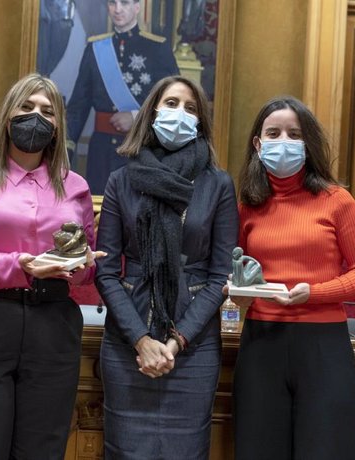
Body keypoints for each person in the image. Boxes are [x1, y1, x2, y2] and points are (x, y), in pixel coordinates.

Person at [0, 73, 105, 460]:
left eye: (47, 111)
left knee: (42, 451)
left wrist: (84, 265)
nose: (36, 117)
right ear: (8, 116)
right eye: (26, 107)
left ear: (58, 125)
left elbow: (86, 268)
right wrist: (20, 266)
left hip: (53, 327)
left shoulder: (74, 185)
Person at [95, 75, 238, 459]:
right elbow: (106, 271)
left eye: (191, 108)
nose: (180, 114)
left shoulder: (218, 184)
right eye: (171, 104)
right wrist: (142, 340)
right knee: (125, 451)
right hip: (129, 344)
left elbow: (220, 275)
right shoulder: (121, 181)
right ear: (152, 112)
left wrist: (176, 342)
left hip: (193, 346)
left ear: (201, 122)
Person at [230, 96, 355, 460]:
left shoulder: (337, 200)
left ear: (308, 142)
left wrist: (312, 293)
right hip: (261, 342)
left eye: (294, 133)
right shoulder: (247, 205)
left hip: (322, 345)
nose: (284, 140)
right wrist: (237, 293)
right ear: (258, 143)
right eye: (274, 132)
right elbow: (236, 271)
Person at [66, 0, 180, 195]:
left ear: (137, 7)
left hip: (142, 151)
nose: (117, 9)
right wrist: (65, 151)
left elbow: (174, 104)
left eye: (125, 3)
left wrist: (136, 117)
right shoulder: (95, 48)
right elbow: (79, 105)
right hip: (101, 152)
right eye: (112, 3)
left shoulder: (157, 48)